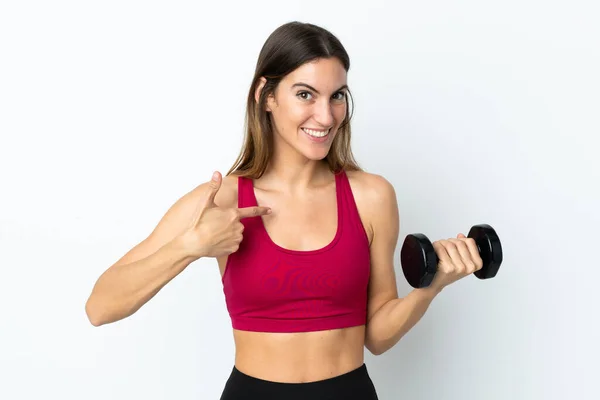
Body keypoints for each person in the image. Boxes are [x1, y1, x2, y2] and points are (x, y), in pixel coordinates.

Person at [85, 21, 484, 400]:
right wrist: (190, 246)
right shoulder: (221, 201)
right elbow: (100, 307)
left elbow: (377, 336)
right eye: (305, 94)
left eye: (337, 96)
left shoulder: (371, 196)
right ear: (266, 96)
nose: (326, 117)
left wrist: (430, 287)